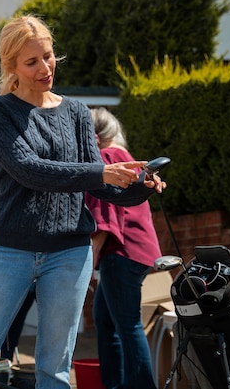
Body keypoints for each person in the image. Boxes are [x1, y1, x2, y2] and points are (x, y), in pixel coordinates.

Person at [0, 15, 165, 389]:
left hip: (69, 254)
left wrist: (139, 185)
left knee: (54, 369)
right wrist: (101, 173)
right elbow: (30, 171)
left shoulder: (77, 111)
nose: (45, 68)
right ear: (11, 66)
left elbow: (98, 189)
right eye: (32, 62)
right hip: (10, 251)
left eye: (48, 56)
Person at [85, 107, 162, 389]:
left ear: (96, 135)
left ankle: (139, 386)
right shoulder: (126, 158)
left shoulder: (109, 158)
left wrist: (88, 263)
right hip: (137, 251)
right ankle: (116, 384)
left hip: (122, 253)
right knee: (105, 321)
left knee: (127, 325)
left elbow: (106, 216)